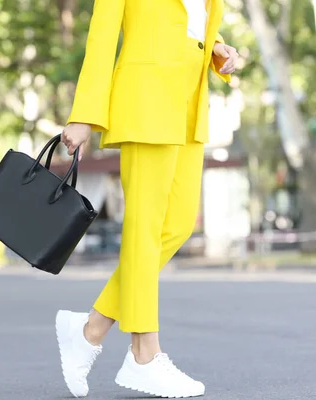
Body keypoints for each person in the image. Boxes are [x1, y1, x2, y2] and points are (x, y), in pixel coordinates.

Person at [57, 0, 240, 398]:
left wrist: (217, 48)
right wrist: (84, 114)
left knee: (174, 226)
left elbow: (189, 21)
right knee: (145, 230)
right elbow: (103, 37)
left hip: (189, 106)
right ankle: (144, 354)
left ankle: (91, 329)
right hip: (145, 102)